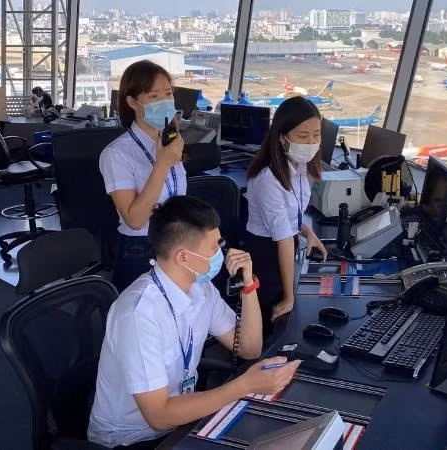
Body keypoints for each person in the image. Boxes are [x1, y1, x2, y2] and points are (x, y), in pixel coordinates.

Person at [88, 196, 300, 449]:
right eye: (214, 247)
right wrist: (242, 386)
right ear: (183, 257)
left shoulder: (201, 289)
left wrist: (248, 284)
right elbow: (158, 416)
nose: (222, 253)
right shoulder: (138, 315)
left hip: (181, 419)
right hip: (132, 439)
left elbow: (250, 348)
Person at [245, 96, 328, 337]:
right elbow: (282, 238)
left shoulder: (298, 165)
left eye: (316, 135)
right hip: (267, 255)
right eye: (303, 136)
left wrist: (308, 232)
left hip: (285, 247)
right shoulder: (267, 179)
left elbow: (292, 212)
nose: (311, 142)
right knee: (273, 328)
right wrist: (289, 297)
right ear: (282, 137)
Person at [100, 60, 186, 292]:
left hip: (177, 241)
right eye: (154, 96)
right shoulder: (116, 154)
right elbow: (135, 220)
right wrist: (162, 165)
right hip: (142, 248)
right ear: (132, 102)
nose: (165, 102)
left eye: (168, 93)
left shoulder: (170, 141)